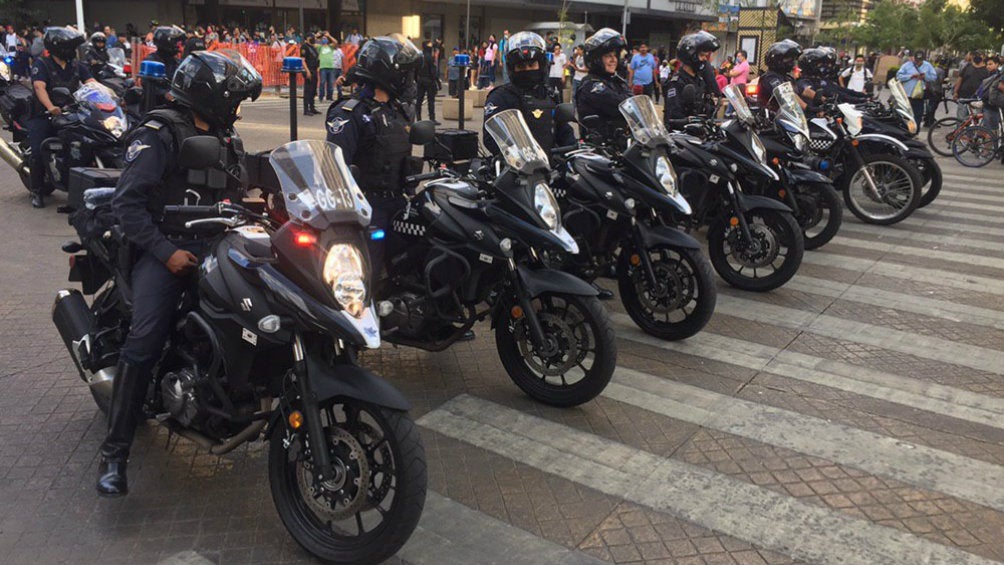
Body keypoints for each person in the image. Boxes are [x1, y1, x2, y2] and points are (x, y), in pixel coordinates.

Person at [96, 50, 262, 496]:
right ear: (211, 96)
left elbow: (239, 191)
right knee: (145, 340)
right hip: (164, 250)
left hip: (218, 245)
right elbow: (127, 205)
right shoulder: (158, 134)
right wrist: (165, 252)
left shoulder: (227, 137)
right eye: (235, 99)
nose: (239, 108)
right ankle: (115, 455)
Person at [325, 35, 420, 273]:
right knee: (369, 273)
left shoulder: (400, 110)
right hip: (368, 208)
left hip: (400, 202)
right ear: (387, 72)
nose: (408, 79)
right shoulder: (350, 113)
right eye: (404, 73)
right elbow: (335, 168)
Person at [27, 27, 96, 208]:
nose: (74, 51)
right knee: (38, 150)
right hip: (44, 115)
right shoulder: (41, 64)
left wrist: (110, 97)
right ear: (59, 47)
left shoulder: (76, 65)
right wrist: (50, 107)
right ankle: (37, 190)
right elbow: (39, 88)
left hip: (70, 114)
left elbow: (92, 83)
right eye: (71, 47)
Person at [482, 31, 575, 158]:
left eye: (532, 65)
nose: (527, 70)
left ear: (541, 65)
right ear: (512, 69)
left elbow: (564, 131)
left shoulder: (550, 95)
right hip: (516, 170)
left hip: (553, 169)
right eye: (521, 66)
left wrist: (572, 151)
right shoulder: (500, 97)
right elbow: (492, 139)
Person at [575, 28, 631, 136]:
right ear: (596, 59)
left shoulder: (616, 81)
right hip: (598, 147)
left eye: (615, 55)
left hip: (620, 145)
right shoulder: (591, 85)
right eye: (608, 56)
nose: (613, 60)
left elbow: (633, 103)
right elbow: (620, 105)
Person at [663, 31, 720, 126]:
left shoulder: (699, 80)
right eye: (702, 55)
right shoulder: (676, 83)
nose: (705, 59)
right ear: (690, 56)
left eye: (706, 56)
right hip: (683, 136)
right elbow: (673, 118)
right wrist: (690, 122)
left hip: (701, 134)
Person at [757, 39, 813, 113]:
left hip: (790, 118)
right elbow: (787, 95)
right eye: (788, 59)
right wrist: (808, 108)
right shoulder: (770, 78)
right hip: (771, 120)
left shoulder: (787, 78)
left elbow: (802, 91)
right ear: (778, 59)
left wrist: (822, 100)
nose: (792, 62)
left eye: (793, 59)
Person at [143, 26, 186, 107]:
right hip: (157, 107)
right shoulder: (151, 61)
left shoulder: (177, 61)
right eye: (174, 42)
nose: (177, 45)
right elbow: (148, 85)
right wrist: (165, 94)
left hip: (176, 104)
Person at [897, 50, 936, 124]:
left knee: (918, 115)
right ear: (914, 58)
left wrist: (925, 76)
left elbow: (933, 77)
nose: (918, 62)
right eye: (916, 60)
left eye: (920, 60)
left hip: (919, 96)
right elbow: (899, 76)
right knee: (905, 115)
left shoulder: (928, 66)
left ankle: (915, 131)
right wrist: (910, 76)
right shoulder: (907, 65)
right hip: (907, 94)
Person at [954, 51, 988, 119]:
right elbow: (960, 79)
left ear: (984, 57)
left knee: (975, 120)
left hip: (977, 99)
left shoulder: (987, 69)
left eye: (980, 55)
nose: (978, 57)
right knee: (961, 119)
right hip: (963, 96)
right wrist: (955, 92)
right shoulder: (968, 66)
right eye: (976, 55)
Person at [415, 40, 440, 122]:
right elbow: (433, 71)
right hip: (429, 81)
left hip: (421, 80)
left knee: (419, 100)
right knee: (431, 101)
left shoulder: (419, 57)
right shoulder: (430, 57)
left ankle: (418, 118)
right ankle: (432, 118)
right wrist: (436, 81)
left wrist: (417, 79)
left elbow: (415, 70)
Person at [318, 33, 341, 102]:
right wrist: (318, 36)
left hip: (331, 67)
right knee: (322, 82)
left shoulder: (330, 47)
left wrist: (329, 36)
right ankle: (321, 96)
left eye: (325, 39)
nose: (324, 39)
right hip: (323, 67)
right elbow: (313, 43)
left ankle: (329, 96)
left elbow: (336, 42)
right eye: (323, 38)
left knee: (331, 83)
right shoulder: (320, 47)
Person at [301, 33, 320, 115]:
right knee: (308, 90)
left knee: (313, 90)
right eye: (311, 37)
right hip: (309, 69)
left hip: (314, 69)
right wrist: (307, 71)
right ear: (307, 38)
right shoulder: (304, 47)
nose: (313, 38)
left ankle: (312, 107)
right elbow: (303, 60)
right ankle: (306, 109)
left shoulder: (313, 47)